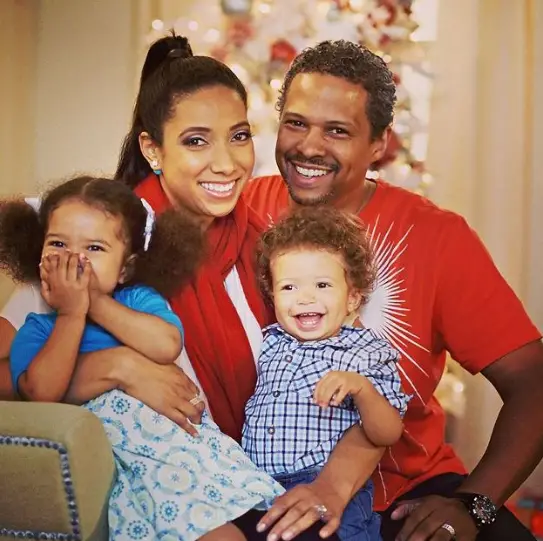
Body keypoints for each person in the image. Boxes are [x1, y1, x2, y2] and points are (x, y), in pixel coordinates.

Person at [0, 34, 346, 540]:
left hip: (245, 472)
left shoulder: (270, 248)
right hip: (156, 487)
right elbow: (16, 386)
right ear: (152, 149)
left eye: (240, 136)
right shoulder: (91, 242)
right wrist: (117, 367)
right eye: (196, 141)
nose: (227, 163)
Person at [244, 40, 543, 541]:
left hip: (410, 491)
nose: (309, 147)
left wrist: (476, 504)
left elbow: (533, 380)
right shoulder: (243, 212)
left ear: (379, 144)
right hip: (272, 487)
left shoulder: (436, 237)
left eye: (337, 131)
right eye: (296, 123)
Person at [0, 175, 287, 541]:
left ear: (124, 269)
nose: (74, 259)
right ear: (37, 253)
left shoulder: (136, 301)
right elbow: (41, 392)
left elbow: (165, 345)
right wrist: (72, 314)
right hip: (121, 464)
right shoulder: (38, 329)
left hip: (174, 448)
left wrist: (97, 304)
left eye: (95, 248)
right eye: (58, 243)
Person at [242, 206, 410, 541]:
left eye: (322, 285)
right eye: (289, 288)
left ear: (352, 298)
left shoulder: (364, 352)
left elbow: (388, 431)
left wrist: (361, 389)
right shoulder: (269, 341)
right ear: (272, 294)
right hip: (258, 486)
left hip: (327, 483)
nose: (305, 297)